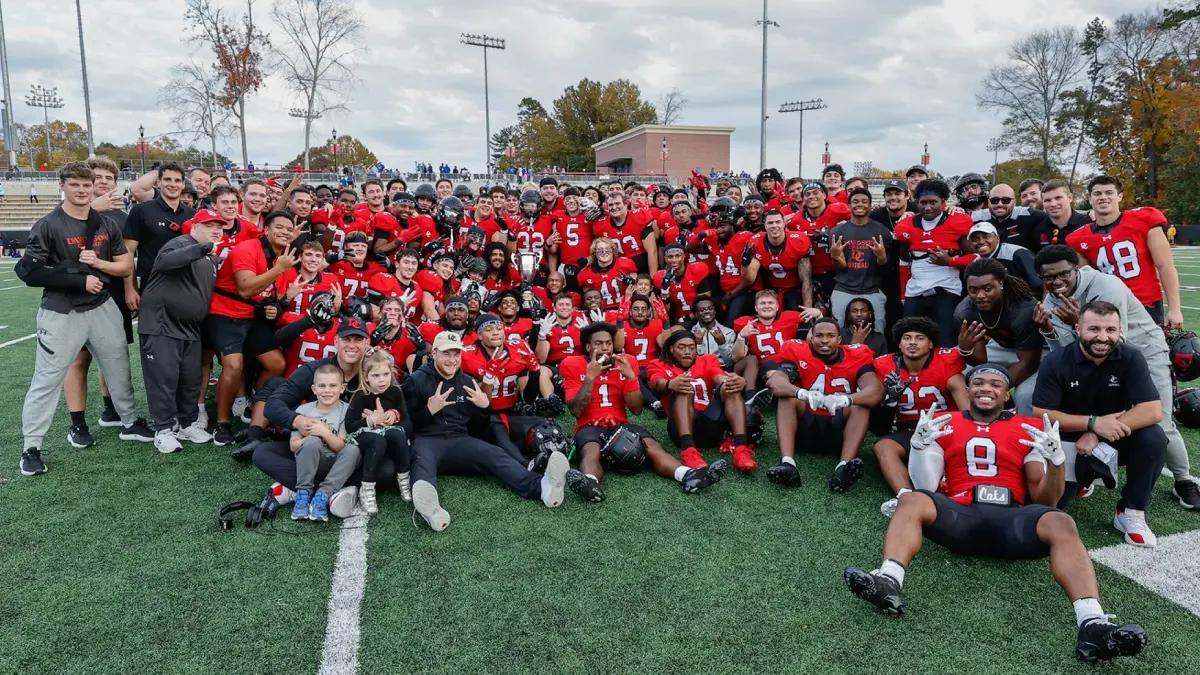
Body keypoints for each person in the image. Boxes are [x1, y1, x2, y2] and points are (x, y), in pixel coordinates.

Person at [843, 364, 1148, 664]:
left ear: (1006, 396)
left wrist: (1056, 462)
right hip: (960, 515)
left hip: (1011, 521)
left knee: (1060, 521)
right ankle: (888, 581)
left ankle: (1092, 624)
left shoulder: (1026, 428)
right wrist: (922, 448)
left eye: (995, 384)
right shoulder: (945, 421)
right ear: (968, 390)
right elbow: (928, 487)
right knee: (912, 500)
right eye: (979, 382)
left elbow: (1046, 501)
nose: (986, 388)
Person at [1033, 245, 1200, 510]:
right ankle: (1089, 470)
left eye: (1063, 274)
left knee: (1161, 422)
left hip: (1142, 351)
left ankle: (1184, 480)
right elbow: (1066, 350)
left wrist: (1079, 321)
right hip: (1094, 356)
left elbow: (1113, 340)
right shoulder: (1053, 299)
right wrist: (1049, 330)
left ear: (1076, 268)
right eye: (1049, 278)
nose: (1057, 282)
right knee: (1086, 413)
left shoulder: (1106, 285)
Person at [16, 162, 154, 476]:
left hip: (102, 306)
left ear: (93, 187)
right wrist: (78, 279)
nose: (82, 190)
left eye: (86, 185)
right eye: (75, 184)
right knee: (47, 378)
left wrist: (101, 265)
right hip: (61, 311)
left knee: (118, 365)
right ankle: (31, 447)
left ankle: (130, 422)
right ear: (62, 186)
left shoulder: (106, 223)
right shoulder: (48, 224)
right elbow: (28, 271)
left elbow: (124, 267)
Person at [402, 332, 570, 532]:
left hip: (459, 440)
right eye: (446, 354)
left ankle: (542, 488)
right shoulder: (416, 380)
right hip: (427, 440)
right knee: (422, 462)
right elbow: (408, 426)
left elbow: (478, 428)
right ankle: (432, 512)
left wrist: (483, 408)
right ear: (435, 353)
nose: (452, 360)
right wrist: (429, 411)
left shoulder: (467, 381)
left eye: (456, 354)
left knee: (495, 454)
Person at [1031, 301, 1167, 547]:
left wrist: (1097, 433)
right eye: (1094, 329)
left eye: (1110, 330)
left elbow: (1152, 410)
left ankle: (1131, 510)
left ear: (1119, 331)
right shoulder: (1056, 361)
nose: (1103, 337)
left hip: (1112, 435)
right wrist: (1091, 423)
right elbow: (1041, 413)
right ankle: (1084, 477)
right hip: (1070, 441)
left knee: (1153, 437)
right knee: (1049, 511)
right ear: (1078, 328)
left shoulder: (1131, 356)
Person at [561, 322, 728, 502]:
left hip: (620, 424)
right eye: (598, 343)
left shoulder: (626, 361)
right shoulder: (572, 363)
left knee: (652, 446)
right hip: (589, 425)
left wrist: (631, 378)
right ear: (588, 347)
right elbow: (576, 410)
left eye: (608, 343)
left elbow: (637, 409)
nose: (605, 348)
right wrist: (590, 378)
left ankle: (688, 475)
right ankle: (590, 483)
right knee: (590, 449)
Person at [137, 205, 226, 453]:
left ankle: (186, 423)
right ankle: (163, 429)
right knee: (163, 378)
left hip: (190, 327)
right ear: (194, 227)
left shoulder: (209, 257)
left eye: (219, 228)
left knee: (190, 379)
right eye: (210, 226)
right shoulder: (180, 244)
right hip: (162, 324)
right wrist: (203, 248)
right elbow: (165, 262)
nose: (216, 231)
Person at [760, 318, 882, 492]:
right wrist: (801, 393)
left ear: (839, 340)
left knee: (860, 405)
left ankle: (844, 467)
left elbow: (875, 390)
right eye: (819, 336)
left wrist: (847, 399)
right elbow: (776, 382)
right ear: (811, 338)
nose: (825, 340)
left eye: (830, 336)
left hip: (840, 430)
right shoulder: (798, 351)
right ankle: (788, 463)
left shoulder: (857, 355)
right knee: (787, 397)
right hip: (806, 428)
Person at [207, 211, 294, 445]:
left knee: (276, 364)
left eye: (290, 229)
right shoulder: (247, 249)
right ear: (266, 230)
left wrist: (277, 306)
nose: (285, 232)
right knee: (234, 364)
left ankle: (255, 402)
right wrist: (278, 269)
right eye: (280, 227)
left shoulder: (284, 257)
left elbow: (275, 296)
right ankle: (222, 423)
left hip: (252, 317)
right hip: (226, 312)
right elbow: (245, 289)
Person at [870, 317, 969, 516]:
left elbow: (966, 409)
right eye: (907, 338)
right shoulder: (884, 365)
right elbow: (878, 428)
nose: (912, 342)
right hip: (910, 432)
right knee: (883, 446)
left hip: (946, 429)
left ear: (930, 344)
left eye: (920, 338)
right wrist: (890, 400)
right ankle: (905, 496)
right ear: (899, 343)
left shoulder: (946, 362)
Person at [1065, 175, 1182, 329]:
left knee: (1151, 351)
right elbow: (1087, 281)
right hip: (1106, 306)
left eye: (1109, 193)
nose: (1103, 198)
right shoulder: (1078, 238)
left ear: (1119, 196)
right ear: (1090, 198)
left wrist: (1175, 309)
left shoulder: (1144, 219)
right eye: (1097, 194)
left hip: (1146, 303)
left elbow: (1165, 265)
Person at [647, 328, 755, 472]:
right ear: (671, 349)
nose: (687, 352)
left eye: (691, 348)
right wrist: (670, 384)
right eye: (682, 347)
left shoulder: (707, 360)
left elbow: (719, 378)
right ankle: (688, 451)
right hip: (680, 429)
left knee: (729, 387)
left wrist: (734, 381)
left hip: (709, 424)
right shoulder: (658, 364)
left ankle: (741, 449)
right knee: (683, 387)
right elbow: (657, 383)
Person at [954, 258, 1044, 415]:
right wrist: (966, 350)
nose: (980, 296)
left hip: (1038, 350)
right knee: (955, 372)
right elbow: (979, 361)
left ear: (1001, 284)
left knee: (1025, 396)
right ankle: (969, 423)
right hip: (1001, 347)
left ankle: (1027, 433)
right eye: (973, 290)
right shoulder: (965, 311)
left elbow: (1028, 364)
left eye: (987, 289)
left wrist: (994, 389)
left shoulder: (1023, 309)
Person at [894, 179, 974, 346]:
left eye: (933, 202)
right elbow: (903, 262)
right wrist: (903, 293)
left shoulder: (957, 221)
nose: (927, 207)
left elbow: (975, 259)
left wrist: (950, 261)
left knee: (945, 340)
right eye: (923, 203)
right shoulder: (906, 225)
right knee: (911, 339)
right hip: (915, 292)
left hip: (946, 290)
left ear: (943, 203)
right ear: (916, 202)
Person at [346, 348, 412, 514]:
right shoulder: (360, 395)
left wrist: (394, 415)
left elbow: (407, 422)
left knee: (398, 434)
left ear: (391, 373)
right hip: (365, 436)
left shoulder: (396, 391)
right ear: (366, 376)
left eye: (385, 374)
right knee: (378, 440)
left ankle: (404, 479)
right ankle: (367, 487)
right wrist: (370, 420)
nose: (382, 380)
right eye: (376, 376)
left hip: (388, 432)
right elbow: (349, 425)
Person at [288, 364, 357, 522]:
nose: (327, 390)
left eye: (333, 385)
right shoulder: (303, 410)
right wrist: (314, 438)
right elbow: (293, 445)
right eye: (322, 386)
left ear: (342, 388)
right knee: (311, 442)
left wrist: (324, 432)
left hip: (337, 465)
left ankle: (323, 495)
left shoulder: (347, 410)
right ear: (314, 389)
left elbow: (340, 446)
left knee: (353, 450)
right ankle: (303, 495)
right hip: (312, 464)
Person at [829, 187, 891, 331]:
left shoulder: (881, 231)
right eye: (855, 201)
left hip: (872, 288)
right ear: (849, 205)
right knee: (836, 328)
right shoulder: (838, 231)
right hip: (843, 288)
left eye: (864, 201)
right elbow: (841, 266)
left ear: (870, 205)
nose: (860, 204)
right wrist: (836, 256)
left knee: (878, 328)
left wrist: (881, 256)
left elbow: (886, 268)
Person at [966, 222, 1040, 292]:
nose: (981, 242)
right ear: (970, 244)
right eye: (975, 239)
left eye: (986, 237)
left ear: (998, 238)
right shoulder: (976, 263)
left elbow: (1041, 284)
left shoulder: (1017, 253)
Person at [1034, 180, 1089, 250]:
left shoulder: (1087, 224)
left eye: (1058, 198)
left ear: (1070, 198)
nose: (1053, 204)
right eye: (1047, 200)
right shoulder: (1038, 230)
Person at [691, 296, 736, 368]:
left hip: (722, 370)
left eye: (710, 308)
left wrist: (722, 343)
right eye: (702, 310)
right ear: (696, 315)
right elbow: (690, 363)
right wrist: (699, 345)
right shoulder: (690, 334)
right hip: (699, 371)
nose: (707, 311)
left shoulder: (729, 332)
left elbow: (730, 363)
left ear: (715, 312)